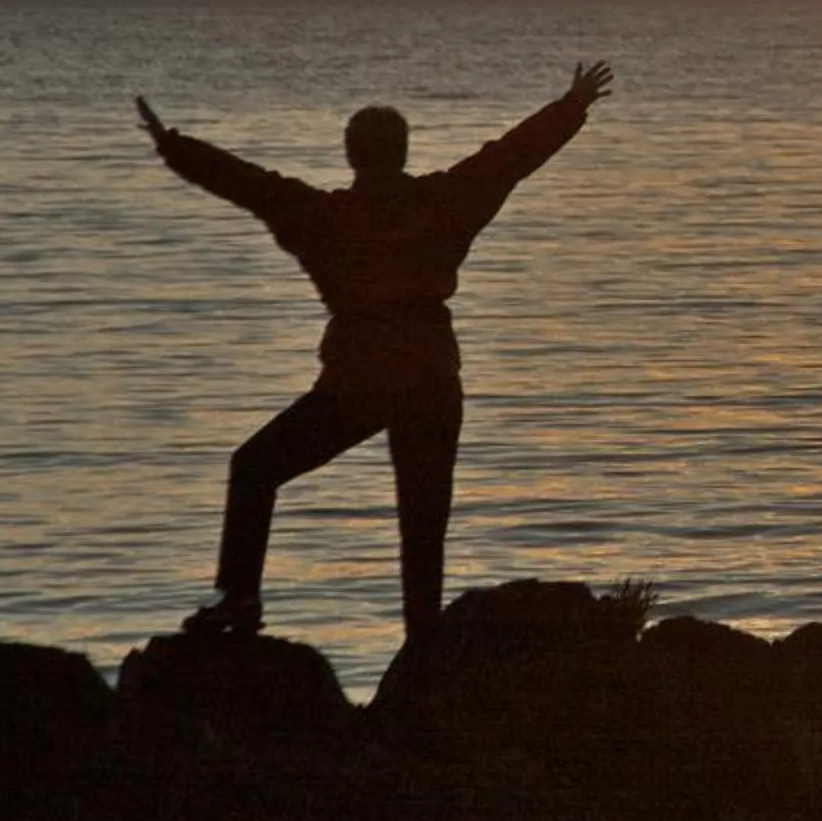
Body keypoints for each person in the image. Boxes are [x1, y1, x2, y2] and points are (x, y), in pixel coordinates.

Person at [137, 62, 613, 641]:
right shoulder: (445, 201)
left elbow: (247, 182)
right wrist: (571, 106)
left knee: (255, 468)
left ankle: (240, 601)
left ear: (351, 155)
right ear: (402, 152)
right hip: (430, 379)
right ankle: (423, 643)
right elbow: (510, 157)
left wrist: (173, 146)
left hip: (358, 384)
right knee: (423, 524)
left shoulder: (322, 217)